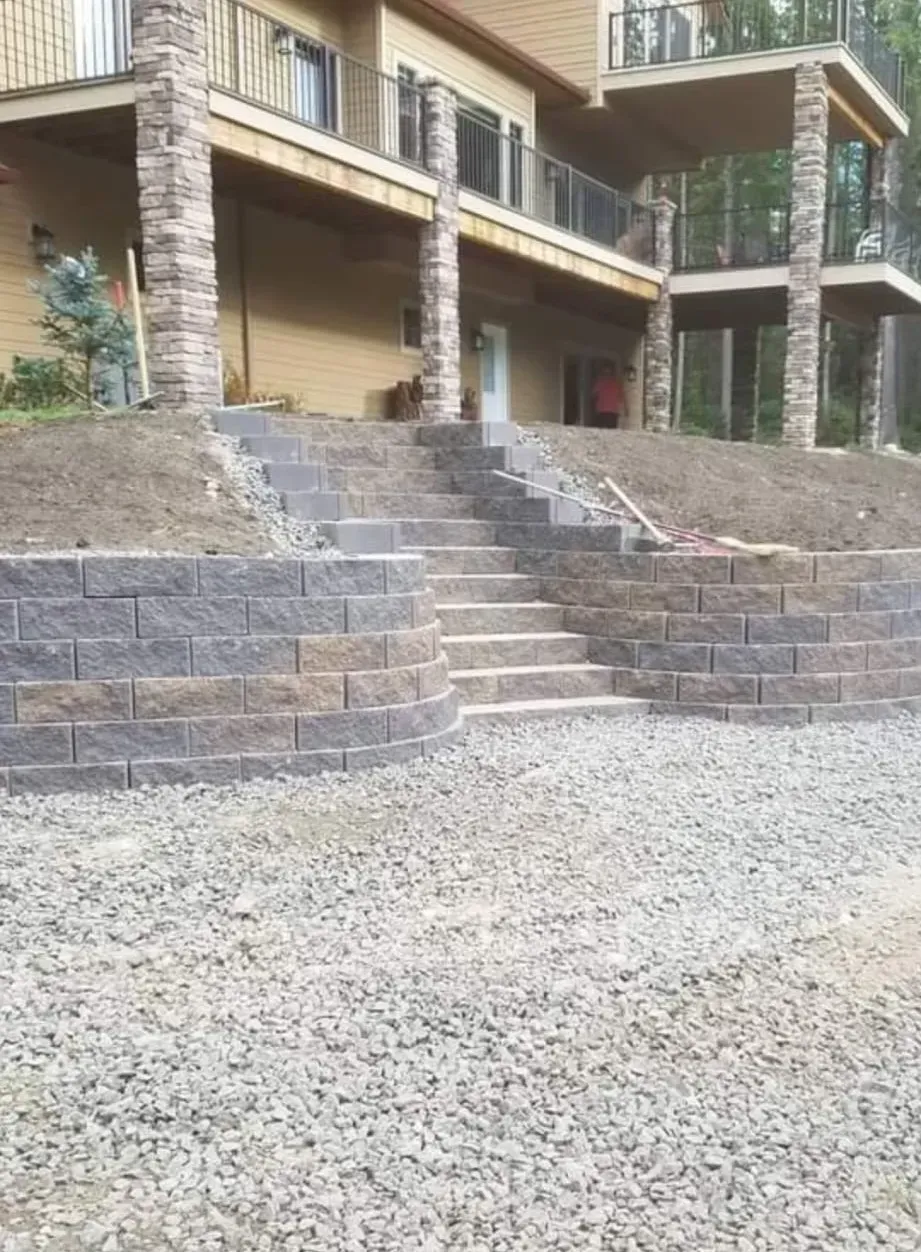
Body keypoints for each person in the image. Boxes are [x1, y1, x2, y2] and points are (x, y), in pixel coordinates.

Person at [591, 363, 625, 429]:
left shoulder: (615, 384)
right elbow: (621, 398)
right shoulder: (601, 383)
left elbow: (593, 395)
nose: (607, 374)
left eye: (607, 372)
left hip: (610, 411)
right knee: (607, 430)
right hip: (604, 411)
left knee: (606, 431)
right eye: (605, 372)